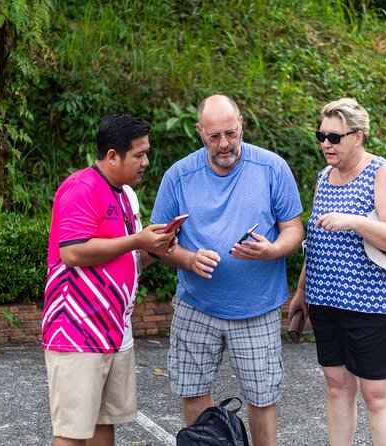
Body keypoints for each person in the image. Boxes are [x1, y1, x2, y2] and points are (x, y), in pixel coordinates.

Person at [151, 94, 304, 446]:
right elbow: (158, 242)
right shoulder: (179, 175)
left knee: (262, 397)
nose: (224, 144)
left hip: (257, 308)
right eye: (214, 136)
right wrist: (188, 259)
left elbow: (294, 230)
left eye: (231, 134)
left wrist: (272, 251)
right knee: (193, 391)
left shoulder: (272, 168)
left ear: (242, 124)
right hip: (196, 306)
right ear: (199, 132)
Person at [42, 114, 176, 446]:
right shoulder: (81, 188)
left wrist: (155, 248)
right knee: (72, 434)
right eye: (139, 154)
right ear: (112, 155)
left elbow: (130, 259)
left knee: (106, 426)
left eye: (147, 153)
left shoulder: (127, 195)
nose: (146, 162)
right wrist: (137, 240)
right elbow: (72, 252)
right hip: (77, 332)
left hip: (116, 331)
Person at [288, 98, 386, 446]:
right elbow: (314, 242)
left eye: (334, 137)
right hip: (327, 301)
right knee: (337, 386)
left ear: (358, 137)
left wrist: (355, 222)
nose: (325, 144)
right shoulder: (323, 178)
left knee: (377, 394)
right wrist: (302, 291)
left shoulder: (382, 173)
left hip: (374, 305)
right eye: (321, 135)